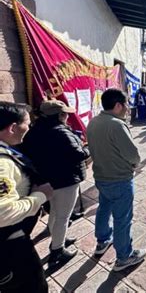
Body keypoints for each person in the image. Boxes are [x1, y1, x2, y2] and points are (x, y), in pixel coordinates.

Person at [22, 100, 90, 265]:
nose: (67, 116)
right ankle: (57, 251)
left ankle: (59, 238)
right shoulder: (61, 132)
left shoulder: (33, 131)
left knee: (55, 212)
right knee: (63, 216)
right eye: (65, 113)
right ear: (59, 116)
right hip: (65, 180)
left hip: (46, 181)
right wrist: (87, 149)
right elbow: (79, 154)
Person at [86, 89, 146, 272]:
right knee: (122, 218)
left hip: (101, 177)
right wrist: (136, 165)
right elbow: (133, 155)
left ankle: (102, 241)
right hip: (119, 179)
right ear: (118, 105)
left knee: (104, 208)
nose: (127, 108)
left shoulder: (93, 122)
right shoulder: (116, 125)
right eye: (126, 104)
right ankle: (124, 256)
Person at [0, 102, 53, 292]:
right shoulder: (2, 164)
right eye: (27, 123)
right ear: (13, 128)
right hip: (9, 241)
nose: (29, 127)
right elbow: (3, 213)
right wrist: (40, 196)